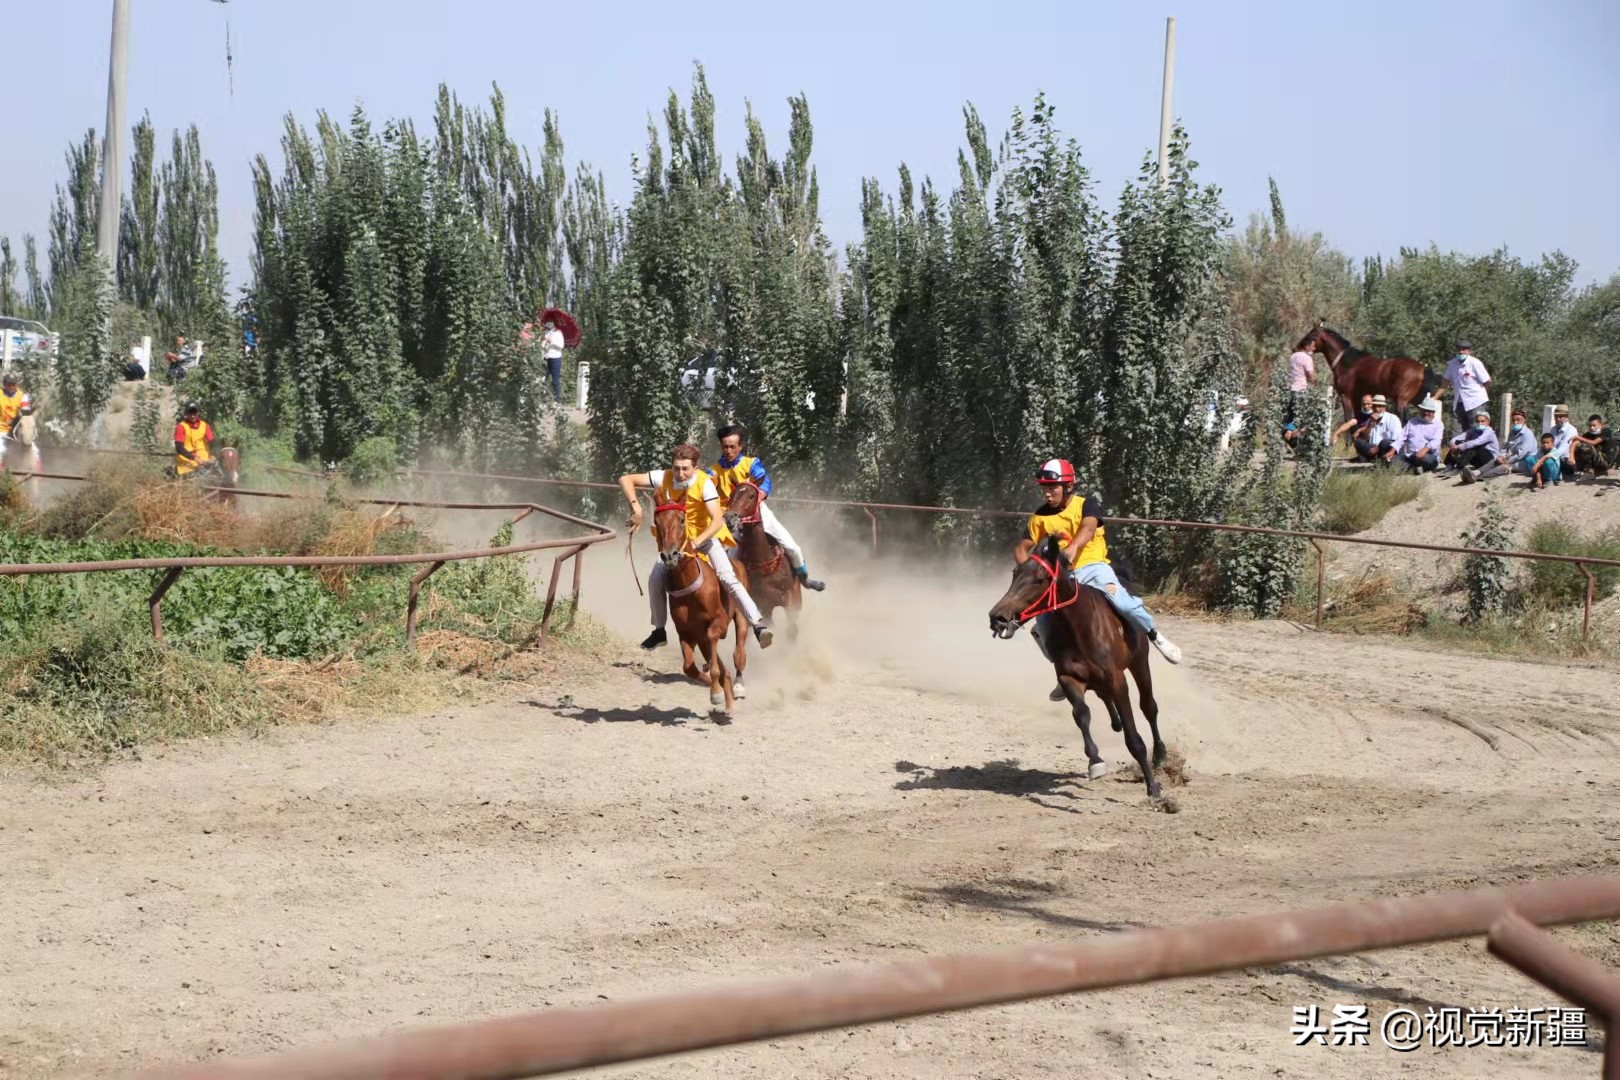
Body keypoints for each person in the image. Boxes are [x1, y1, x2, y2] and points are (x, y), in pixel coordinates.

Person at [1016, 459, 1181, 702]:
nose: (1047, 492)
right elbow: (1023, 547)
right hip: (1063, 579)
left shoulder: (1086, 505)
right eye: (1045, 488)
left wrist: (1073, 548)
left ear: (1068, 486)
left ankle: (1155, 635)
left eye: (1053, 487)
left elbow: (1088, 528)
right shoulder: (1039, 516)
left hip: (1093, 567)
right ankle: (1064, 672)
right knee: (1040, 628)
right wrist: (1027, 569)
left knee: (1123, 603)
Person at [621, 443, 774, 652]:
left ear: (695, 467)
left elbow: (717, 520)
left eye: (685, 469)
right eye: (676, 468)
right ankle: (659, 630)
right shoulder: (662, 477)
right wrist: (636, 508)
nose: (680, 473)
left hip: (704, 538)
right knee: (655, 578)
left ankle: (758, 624)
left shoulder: (705, 483)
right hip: (676, 541)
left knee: (728, 576)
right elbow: (626, 479)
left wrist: (697, 541)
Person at [708, 424, 826, 592]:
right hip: (731, 520)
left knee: (793, 547)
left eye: (732, 447)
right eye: (725, 446)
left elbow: (765, 483)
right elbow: (706, 490)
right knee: (730, 558)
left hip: (759, 513)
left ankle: (805, 580)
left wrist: (753, 504)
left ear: (740, 446)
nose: (728, 450)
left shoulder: (751, 463)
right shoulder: (713, 471)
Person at [1435, 340, 1491, 436]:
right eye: (1459, 349)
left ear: (1469, 351)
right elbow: (1445, 382)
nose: (1461, 352)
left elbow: (1487, 381)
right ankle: (1458, 450)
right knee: (1457, 431)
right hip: (1459, 402)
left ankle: (1474, 450)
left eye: (1464, 350)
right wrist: (1435, 397)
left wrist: (1477, 392)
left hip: (1475, 402)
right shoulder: (1452, 364)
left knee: (1475, 429)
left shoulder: (1475, 363)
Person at [1445, 409, 1501, 482]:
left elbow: (1477, 442)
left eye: (1482, 421)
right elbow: (1462, 436)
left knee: (1473, 446)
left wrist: (1459, 447)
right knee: (1459, 442)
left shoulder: (1489, 432)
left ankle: (1459, 468)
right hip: (1478, 459)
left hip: (1490, 460)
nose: (1480, 423)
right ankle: (1449, 465)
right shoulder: (1475, 430)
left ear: (1488, 422)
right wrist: (1453, 444)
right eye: (1478, 421)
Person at [1282, 345, 1322, 450]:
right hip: (1301, 392)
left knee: (1292, 416)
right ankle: (1291, 433)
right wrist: (1317, 381)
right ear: (1306, 347)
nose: (1314, 350)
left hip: (1291, 391)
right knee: (1305, 418)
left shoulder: (1293, 356)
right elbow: (1311, 376)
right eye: (1312, 347)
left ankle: (1291, 437)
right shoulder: (1306, 358)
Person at [1396, 398, 1443, 473]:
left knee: (1429, 460)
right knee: (1392, 461)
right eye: (1424, 410)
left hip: (1427, 455)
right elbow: (1401, 437)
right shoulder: (1412, 422)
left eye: (1429, 411)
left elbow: (1436, 441)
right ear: (1420, 410)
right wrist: (1393, 449)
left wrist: (1424, 450)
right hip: (1411, 456)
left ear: (1433, 412)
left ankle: (1410, 469)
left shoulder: (1438, 424)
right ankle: (1413, 469)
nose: (1426, 413)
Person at [1353, 395, 1402, 464]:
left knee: (1384, 442)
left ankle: (1367, 458)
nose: (1376, 409)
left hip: (1386, 448)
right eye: (1375, 406)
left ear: (1384, 408)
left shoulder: (1393, 419)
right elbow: (1365, 437)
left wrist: (1378, 448)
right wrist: (1370, 423)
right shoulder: (1371, 419)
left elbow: (1397, 440)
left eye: (1379, 406)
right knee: (1358, 441)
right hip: (1372, 448)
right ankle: (1370, 458)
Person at [173, 401, 216, 478]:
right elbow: (179, 447)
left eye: (194, 412)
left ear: (198, 412)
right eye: (190, 413)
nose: (192, 416)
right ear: (186, 413)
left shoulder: (205, 425)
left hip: (205, 461)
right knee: (197, 479)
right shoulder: (181, 427)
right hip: (187, 463)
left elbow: (212, 442)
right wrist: (195, 458)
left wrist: (213, 455)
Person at [1571, 413, 1614, 480]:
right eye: (1590, 426)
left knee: (1585, 446)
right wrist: (1571, 456)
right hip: (1596, 461)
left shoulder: (1606, 431)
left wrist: (1579, 438)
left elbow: (1594, 442)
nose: (1592, 428)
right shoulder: (1588, 434)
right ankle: (1582, 470)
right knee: (1578, 447)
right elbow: (1576, 442)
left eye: (1594, 425)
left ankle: (1589, 473)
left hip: (1605, 461)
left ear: (1600, 425)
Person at [1500, 408, 1540, 477]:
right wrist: (1501, 456)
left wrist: (1506, 460)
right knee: (1495, 462)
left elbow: (1520, 455)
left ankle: (1482, 476)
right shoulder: (1512, 433)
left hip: (1524, 462)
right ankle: (1478, 472)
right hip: (1512, 459)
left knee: (1502, 467)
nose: (1515, 422)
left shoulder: (1527, 434)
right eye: (1513, 420)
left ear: (1524, 420)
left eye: (1518, 420)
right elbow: (1506, 447)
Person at [1545, 405, 1579, 477]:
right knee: (1530, 459)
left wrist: (1545, 457)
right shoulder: (1553, 429)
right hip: (1553, 456)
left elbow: (1562, 450)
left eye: (1560, 416)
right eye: (1556, 416)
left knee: (1548, 462)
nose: (1558, 419)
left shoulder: (1571, 430)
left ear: (1567, 417)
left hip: (1564, 460)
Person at [0, 373, 34, 442]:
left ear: (17, 385)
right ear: (4, 385)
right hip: (1, 430)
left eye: (13, 384)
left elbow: (25, 413)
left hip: (16, 431)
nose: (11, 387)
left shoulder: (22, 396)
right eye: (9, 384)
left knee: (33, 450)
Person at [541, 320, 565, 404]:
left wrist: (553, 342)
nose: (548, 324)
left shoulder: (558, 333)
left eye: (550, 322)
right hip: (546, 358)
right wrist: (544, 343)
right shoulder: (545, 332)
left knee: (555, 380)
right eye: (547, 322)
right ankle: (542, 399)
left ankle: (557, 400)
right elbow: (542, 345)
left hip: (555, 358)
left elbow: (561, 345)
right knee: (543, 379)